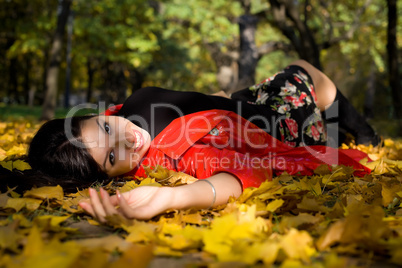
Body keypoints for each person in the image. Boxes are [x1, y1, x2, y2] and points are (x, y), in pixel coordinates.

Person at [25, 60, 378, 221]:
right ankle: (366, 137)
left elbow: (185, 104)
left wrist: (212, 99)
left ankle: (355, 129)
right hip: (282, 125)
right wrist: (173, 196)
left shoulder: (127, 110)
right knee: (304, 74)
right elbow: (242, 172)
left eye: (105, 129)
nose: (129, 140)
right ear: (113, 176)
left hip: (241, 106)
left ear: (98, 115)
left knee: (297, 70)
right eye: (114, 156)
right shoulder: (178, 153)